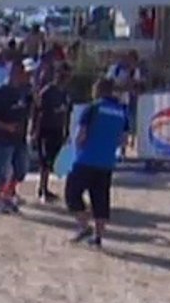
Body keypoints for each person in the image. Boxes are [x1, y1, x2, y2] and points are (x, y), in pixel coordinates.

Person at [65, 79, 129, 248]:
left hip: (86, 159)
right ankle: (98, 237)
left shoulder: (92, 109)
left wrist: (77, 150)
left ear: (98, 90)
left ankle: (84, 223)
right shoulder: (121, 112)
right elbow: (123, 140)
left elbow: (80, 136)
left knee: (72, 193)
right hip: (106, 161)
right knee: (100, 198)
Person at [0, 60, 34, 213]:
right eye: (22, 73)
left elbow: (30, 110)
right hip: (4, 137)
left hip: (20, 138)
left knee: (21, 168)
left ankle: (8, 194)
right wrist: (7, 126)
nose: (26, 76)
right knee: (1, 168)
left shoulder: (24, 92)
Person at [31, 63, 73, 205]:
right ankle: (42, 189)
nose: (64, 78)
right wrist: (35, 131)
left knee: (58, 161)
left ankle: (49, 189)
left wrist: (66, 131)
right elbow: (38, 111)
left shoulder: (65, 94)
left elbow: (67, 113)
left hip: (58, 129)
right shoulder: (48, 91)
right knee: (45, 162)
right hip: (45, 129)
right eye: (62, 74)